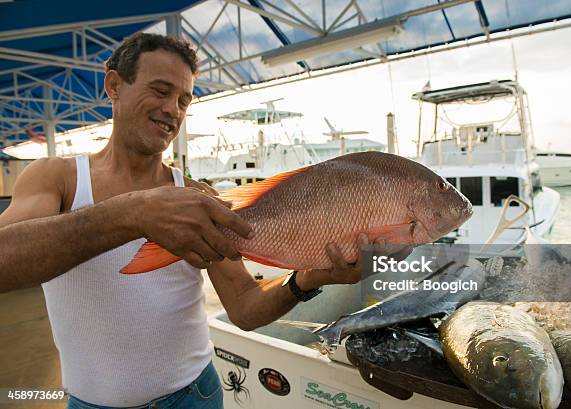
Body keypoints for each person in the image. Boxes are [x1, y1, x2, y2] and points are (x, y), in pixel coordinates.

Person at [0, 33, 372, 409]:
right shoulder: (57, 178)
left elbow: (244, 307)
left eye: (183, 101)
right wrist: (130, 214)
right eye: (160, 91)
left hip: (195, 396)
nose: (172, 110)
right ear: (114, 85)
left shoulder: (199, 197)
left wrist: (306, 280)